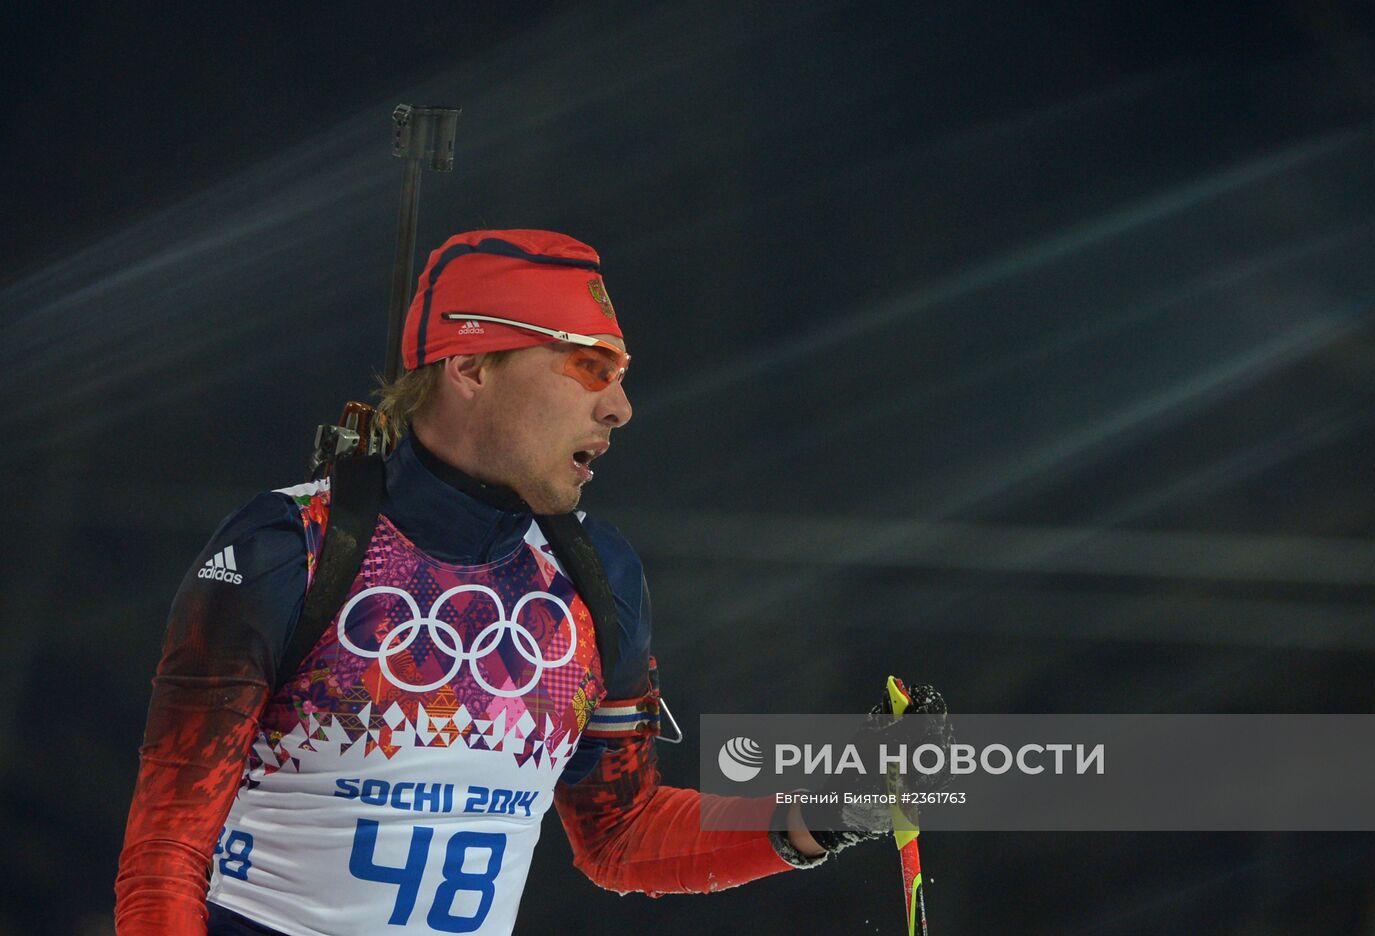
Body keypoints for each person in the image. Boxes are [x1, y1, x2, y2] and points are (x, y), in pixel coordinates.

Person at [115, 229, 942, 936]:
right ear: (472, 366)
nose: (620, 407)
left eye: (619, 374)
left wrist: (824, 810)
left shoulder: (595, 574)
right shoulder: (288, 546)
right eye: (588, 367)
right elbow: (166, 853)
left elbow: (621, 836)